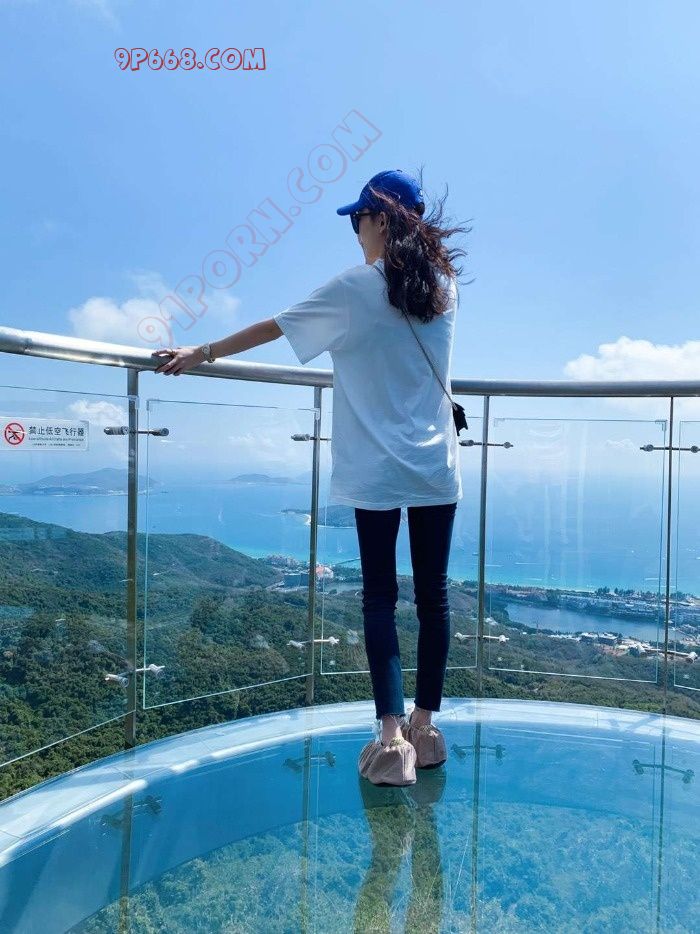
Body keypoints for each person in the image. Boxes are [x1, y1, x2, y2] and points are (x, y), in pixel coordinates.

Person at [152, 168, 469, 787]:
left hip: (377, 469)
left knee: (380, 597)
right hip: (436, 465)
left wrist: (201, 352)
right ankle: (426, 730)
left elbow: (277, 325)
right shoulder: (445, 287)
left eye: (359, 220)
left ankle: (390, 743)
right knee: (433, 596)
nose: (356, 232)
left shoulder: (356, 287)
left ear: (381, 220)